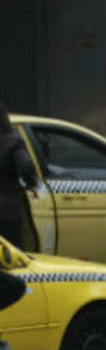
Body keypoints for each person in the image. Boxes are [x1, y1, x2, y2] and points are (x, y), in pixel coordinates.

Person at [0, 103, 38, 250]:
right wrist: (31, 184)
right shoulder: (12, 143)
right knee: (13, 256)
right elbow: (26, 165)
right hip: (7, 211)